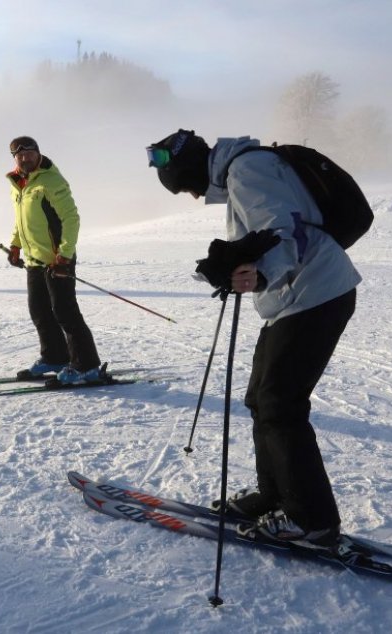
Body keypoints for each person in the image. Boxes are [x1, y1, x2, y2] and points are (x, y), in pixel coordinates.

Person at [147, 129, 362, 550]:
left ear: (192, 170)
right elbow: (262, 235)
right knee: (262, 399)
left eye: (187, 188)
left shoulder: (248, 169)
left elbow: (285, 229)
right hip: (294, 297)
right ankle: (276, 496)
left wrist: (261, 273)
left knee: (281, 404)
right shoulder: (241, 171)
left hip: (316, 292)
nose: (193, 196)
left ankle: (312, 521)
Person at [4, 136, 102, 385]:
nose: (25, 158)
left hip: (57, 260)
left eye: (29, 153)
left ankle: (86, 365)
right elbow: (22, 220)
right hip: (34, 260)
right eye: (19, 155)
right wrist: (15, 245)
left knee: (65, 312)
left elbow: (71, 219)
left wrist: (65, 255)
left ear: (38, 153)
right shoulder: (19, 183)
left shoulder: (51, 180)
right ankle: (55, 357)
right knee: (39, 311)